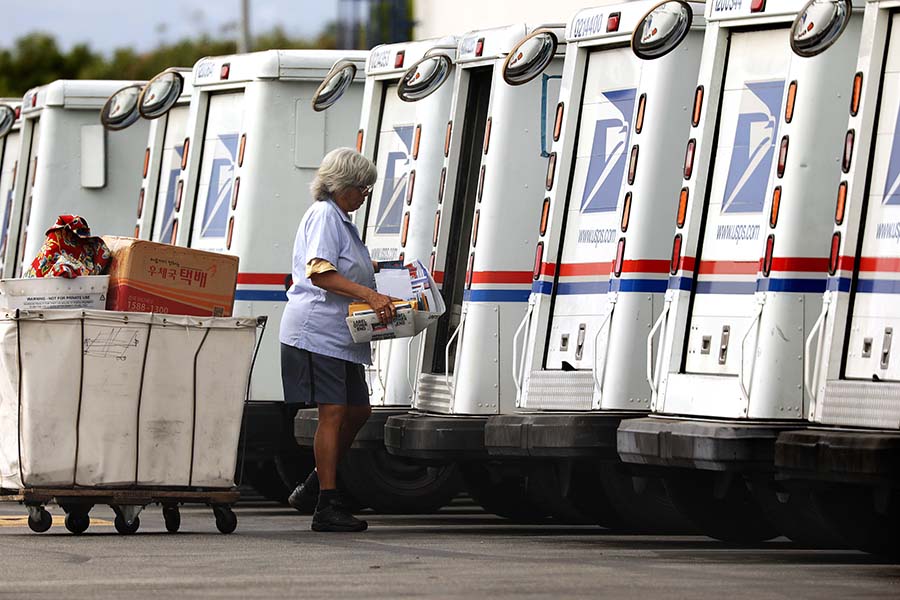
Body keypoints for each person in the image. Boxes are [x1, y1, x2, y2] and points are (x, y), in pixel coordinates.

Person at [280, 148, 396, 532]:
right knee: (333, 412)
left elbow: (343, 264)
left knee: (358, 410)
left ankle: (315, 484)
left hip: (339, 335)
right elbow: (320, 273)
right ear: (341, 186)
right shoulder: (325, 216)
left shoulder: (341, 219)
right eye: (362, 187)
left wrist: (375, 270)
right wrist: (370, 295)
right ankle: (326, 504)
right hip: (318, 331)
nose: (365, 194)